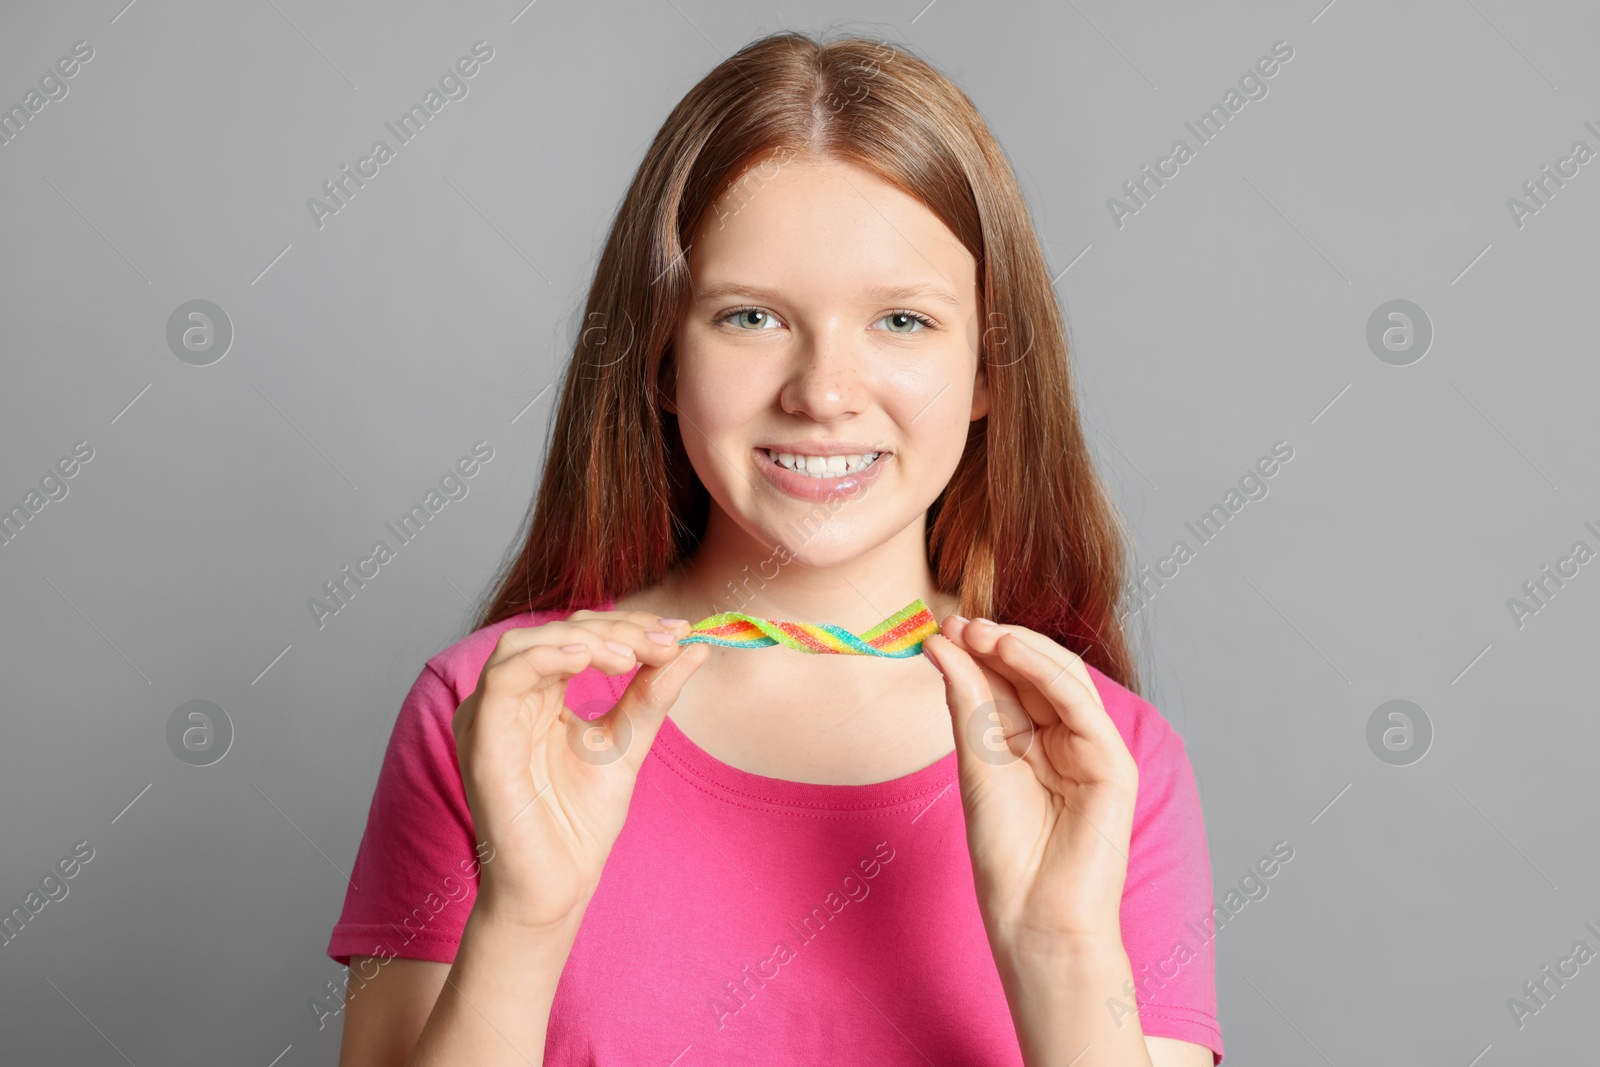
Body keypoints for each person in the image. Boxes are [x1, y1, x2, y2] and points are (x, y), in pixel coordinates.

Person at [326, 29, 1223, 1067]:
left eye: (901, 319)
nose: (823, 391)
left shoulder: (1105, 763)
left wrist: (1063, 951)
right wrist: (522, 918)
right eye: (750, 316)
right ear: (660, 358)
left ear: (989, 370)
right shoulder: (489, 715)